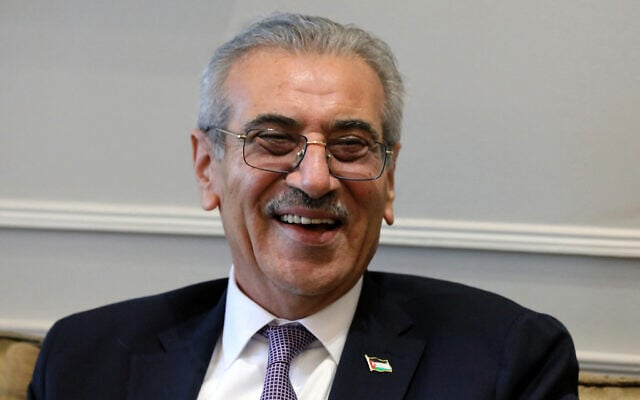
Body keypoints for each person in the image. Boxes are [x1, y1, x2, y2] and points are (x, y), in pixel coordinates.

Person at [29, 13, 579, 399]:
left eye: (351, 146)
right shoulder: (85, 360)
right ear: (207, 168)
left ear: (389, 179)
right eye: (272, 140)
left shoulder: (506, 360)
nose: (315, 179)